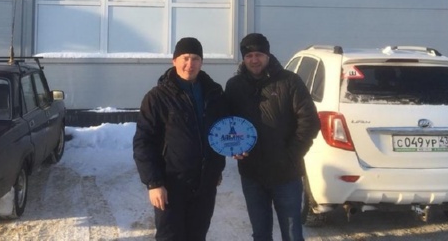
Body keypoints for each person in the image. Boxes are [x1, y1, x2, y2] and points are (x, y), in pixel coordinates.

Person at [225, 33, 320, 241]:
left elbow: (310, 121)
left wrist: (291, 155)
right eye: (249, 56)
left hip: (286, 174)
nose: (254, 60)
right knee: (260, 234)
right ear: (243, 58)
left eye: (258, 54)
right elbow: (227, 122)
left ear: (268, 55)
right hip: (252, 174)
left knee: (292, 234)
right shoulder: (234, 86)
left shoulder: (290, 81)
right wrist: (234, 147)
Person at [133, 37, 227, 241]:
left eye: (195, 59)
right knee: (171, 237)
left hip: (205, 184)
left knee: (197, 236)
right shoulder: (157, 97)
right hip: (171, 184)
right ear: (174, 61)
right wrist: (154, 183)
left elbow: (224, 130)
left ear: (201, 62)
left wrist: (224, 159)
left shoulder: (214, 93)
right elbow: (143, 142)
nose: (189, 64)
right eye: (185, 58)